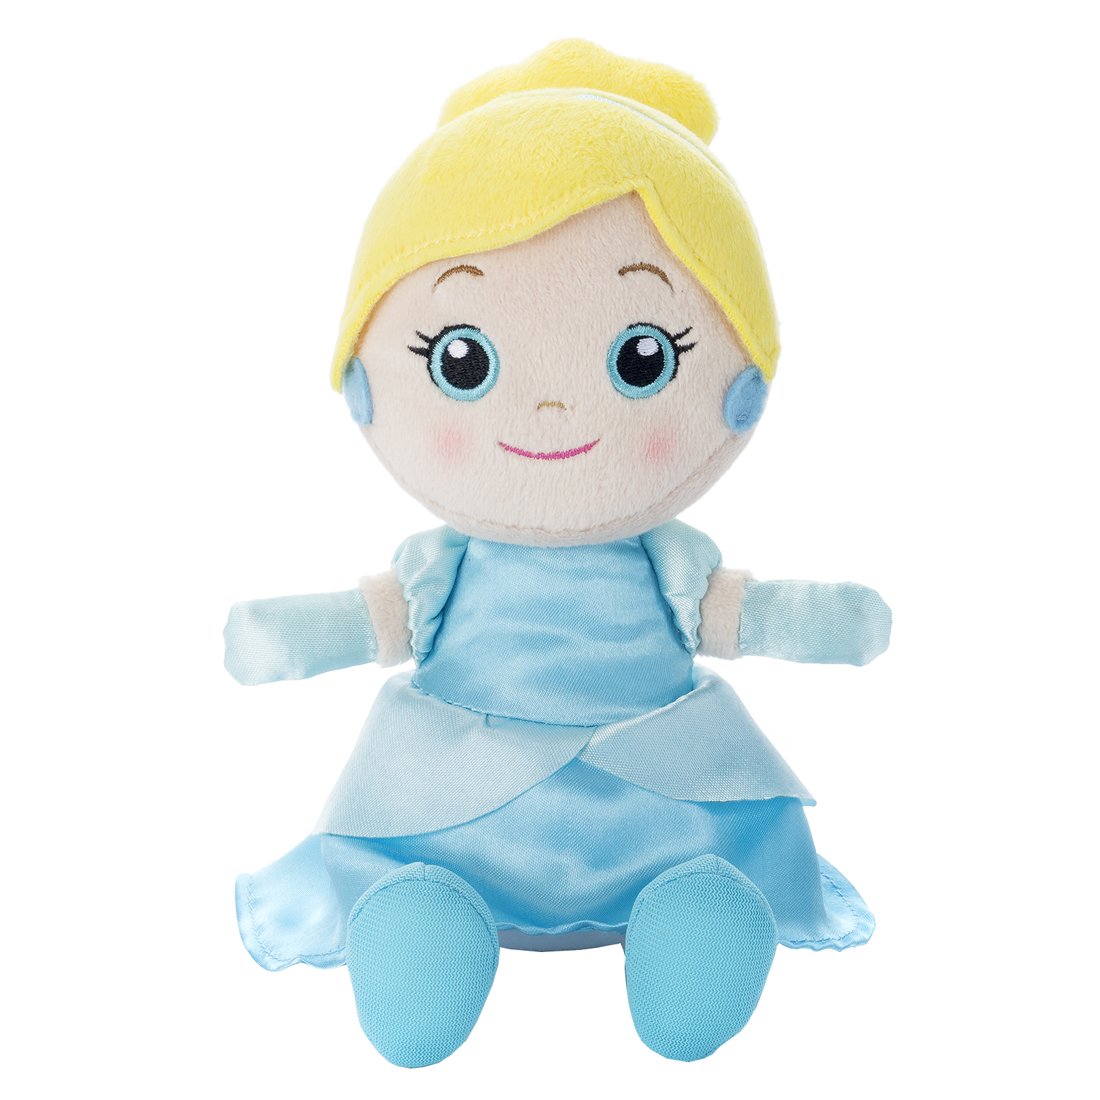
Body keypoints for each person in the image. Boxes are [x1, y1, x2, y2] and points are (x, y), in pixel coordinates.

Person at [225, 39, 891, 1069]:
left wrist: (825, 620)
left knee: (704, 880)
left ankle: (690, 921)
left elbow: (735, 610)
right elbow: (378, 617)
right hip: (453, 795)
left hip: (658, 791)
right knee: (413, 882)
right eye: (463, 361)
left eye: (640, 359)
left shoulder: (668, 562)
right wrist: (290, 634)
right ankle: (426, 923)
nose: (548, 410)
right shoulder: (441, 566)